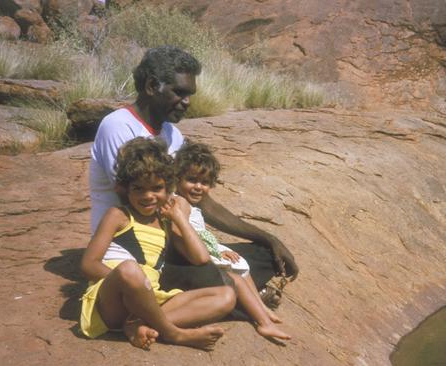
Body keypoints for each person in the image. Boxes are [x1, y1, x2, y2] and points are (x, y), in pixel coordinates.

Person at [89, 45, 298, 296]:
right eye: (179, 92)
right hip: (141, 249)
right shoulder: (118, 127)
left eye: (189, 94)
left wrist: (268, 238)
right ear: (152, 86)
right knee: (216, 275)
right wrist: (200, 248)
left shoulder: (171, 134)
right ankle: (237, 295)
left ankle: (230, 289)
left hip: (177, 240)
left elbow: (200, 200)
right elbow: (139, 203)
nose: (187, 102)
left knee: (266, 256)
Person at [80, 137, 233, 350]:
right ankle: (175, 334)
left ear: (169, 187)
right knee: (130, 271)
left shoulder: (164, 220)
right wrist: (136, 289)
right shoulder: (119, 215)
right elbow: (89, 264)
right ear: (126, 189)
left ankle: (139, 324)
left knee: (226, 295)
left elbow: (201, 258)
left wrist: (178, 217)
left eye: (157, 188)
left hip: (150, 299)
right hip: (114, 300)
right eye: (139, 189)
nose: (148, 196)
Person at [174, 141, 291, 340]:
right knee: (234, 278)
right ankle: (262, 321)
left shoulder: (191, 205)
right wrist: (215, 252)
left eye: (204, 183)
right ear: (176, 179)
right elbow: (186, 239)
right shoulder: (177, 203)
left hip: (204, 249)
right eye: (191, 180)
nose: (198, 187)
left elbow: (201, 234)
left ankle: (260, 308)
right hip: (189, 258)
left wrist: (218, 249)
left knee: (242, 265)